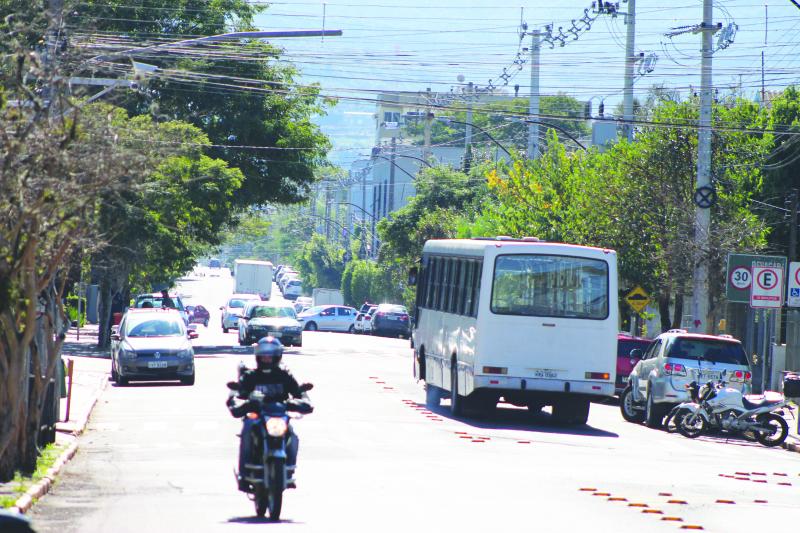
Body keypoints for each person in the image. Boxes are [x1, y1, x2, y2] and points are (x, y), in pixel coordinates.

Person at [226, 336, 312, 491]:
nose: (267, 357)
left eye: (271, 354)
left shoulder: (284, 375)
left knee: (293, 435)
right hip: (257, 416)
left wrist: (301, 402)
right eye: (264, 354)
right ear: (258, 355)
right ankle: (244, 474)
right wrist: (241, 403)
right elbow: (238, 396)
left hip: (279, 415)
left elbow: (299, 393)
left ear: (278, 355)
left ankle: (289, 469)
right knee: (248, 429)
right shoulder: (251, 376)